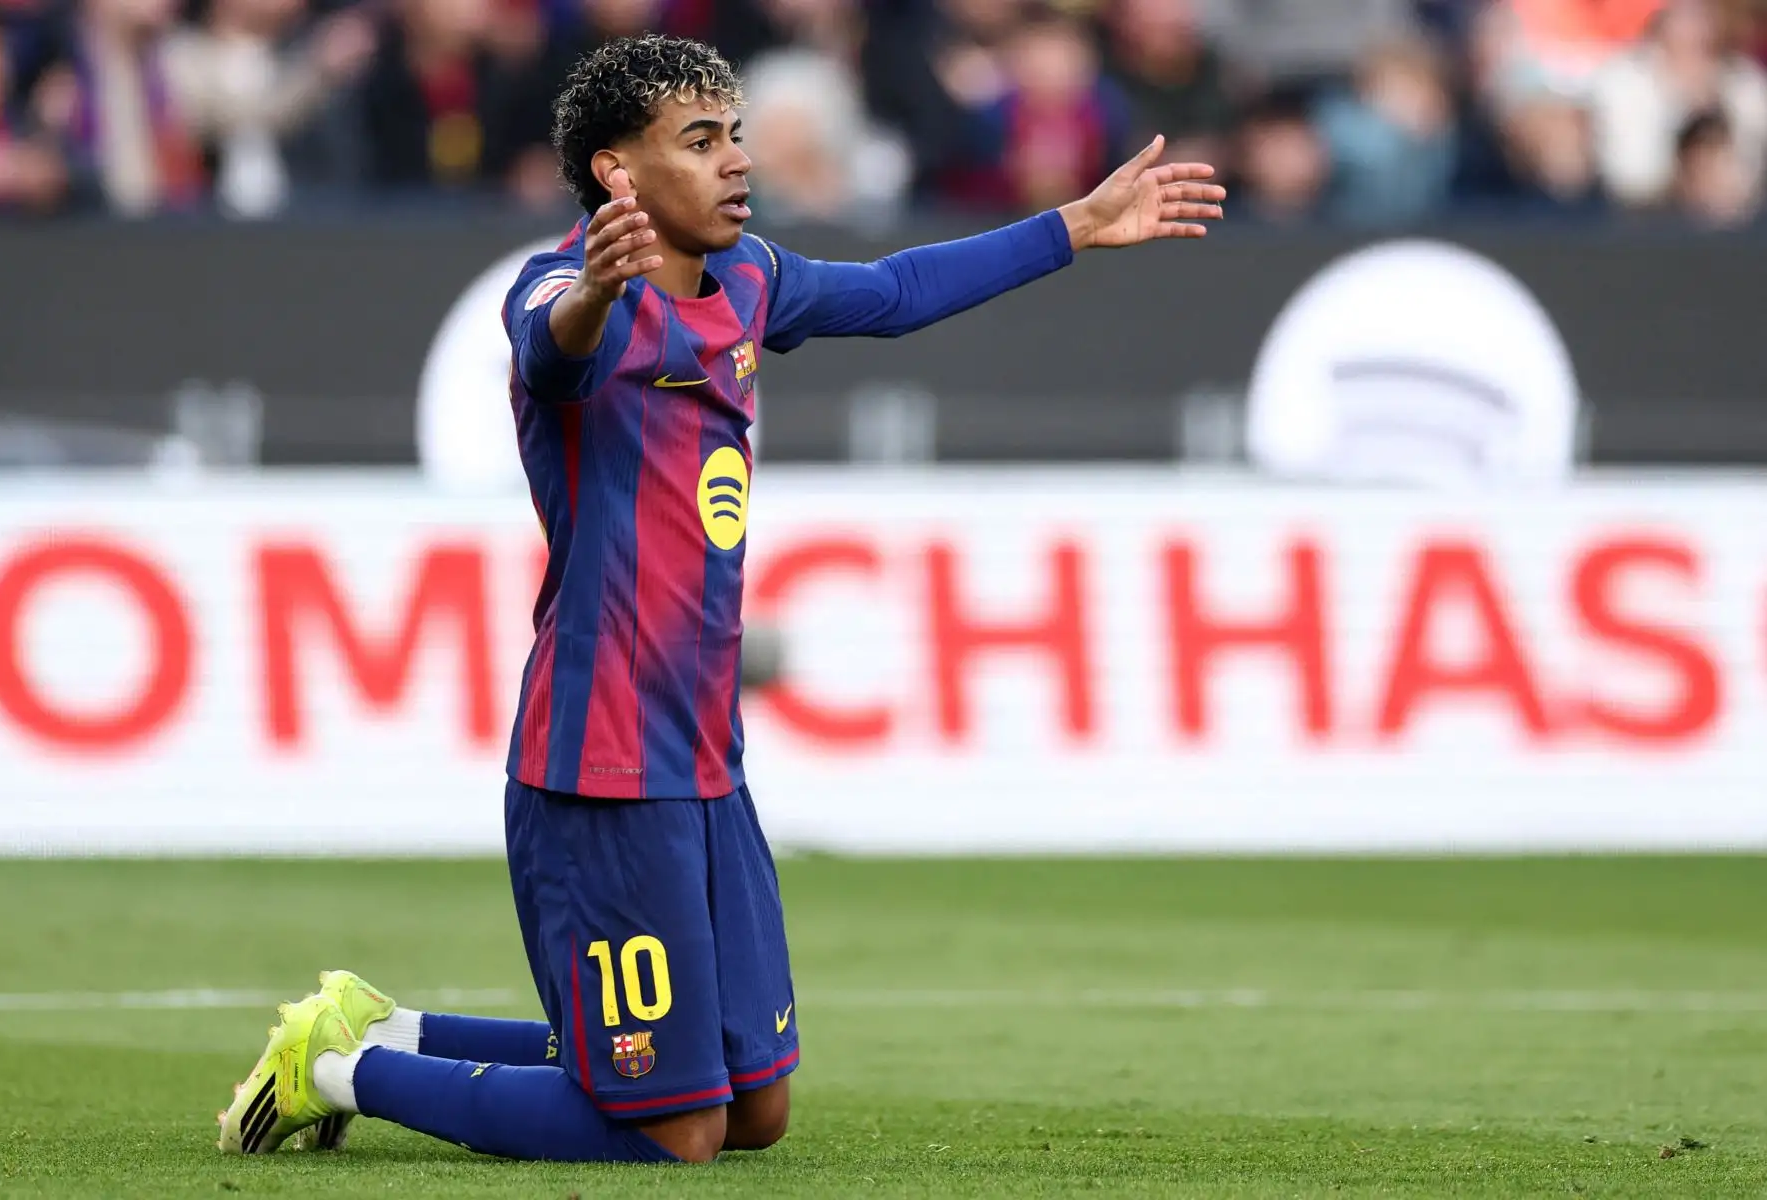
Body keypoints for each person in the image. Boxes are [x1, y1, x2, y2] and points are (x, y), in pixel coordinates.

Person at [217, 32, 1222, 1167]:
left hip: (705, 756)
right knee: (675, 1130)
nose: (735, 161)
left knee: (756, 1108)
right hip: (597, 764)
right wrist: (597, 287)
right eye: (699, 142)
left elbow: (891, 293)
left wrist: (1074, 228)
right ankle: (339, 1071)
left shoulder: (747, 279)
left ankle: (390, 1026)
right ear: (617, 172)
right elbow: (553, 353)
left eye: (734, 135)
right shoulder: (558, 288)